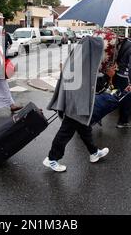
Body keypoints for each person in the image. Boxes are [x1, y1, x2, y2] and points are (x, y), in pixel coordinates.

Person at [44, 36, 113, 172]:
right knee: (66, 132)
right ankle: (52, 159)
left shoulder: (79, 57)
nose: (101, 53)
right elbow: (89, 84)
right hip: (76, 104)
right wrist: (107, 76)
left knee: (84, 128)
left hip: (75, 102)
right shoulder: (82, 63)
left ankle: (94, 152)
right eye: (100, 50)